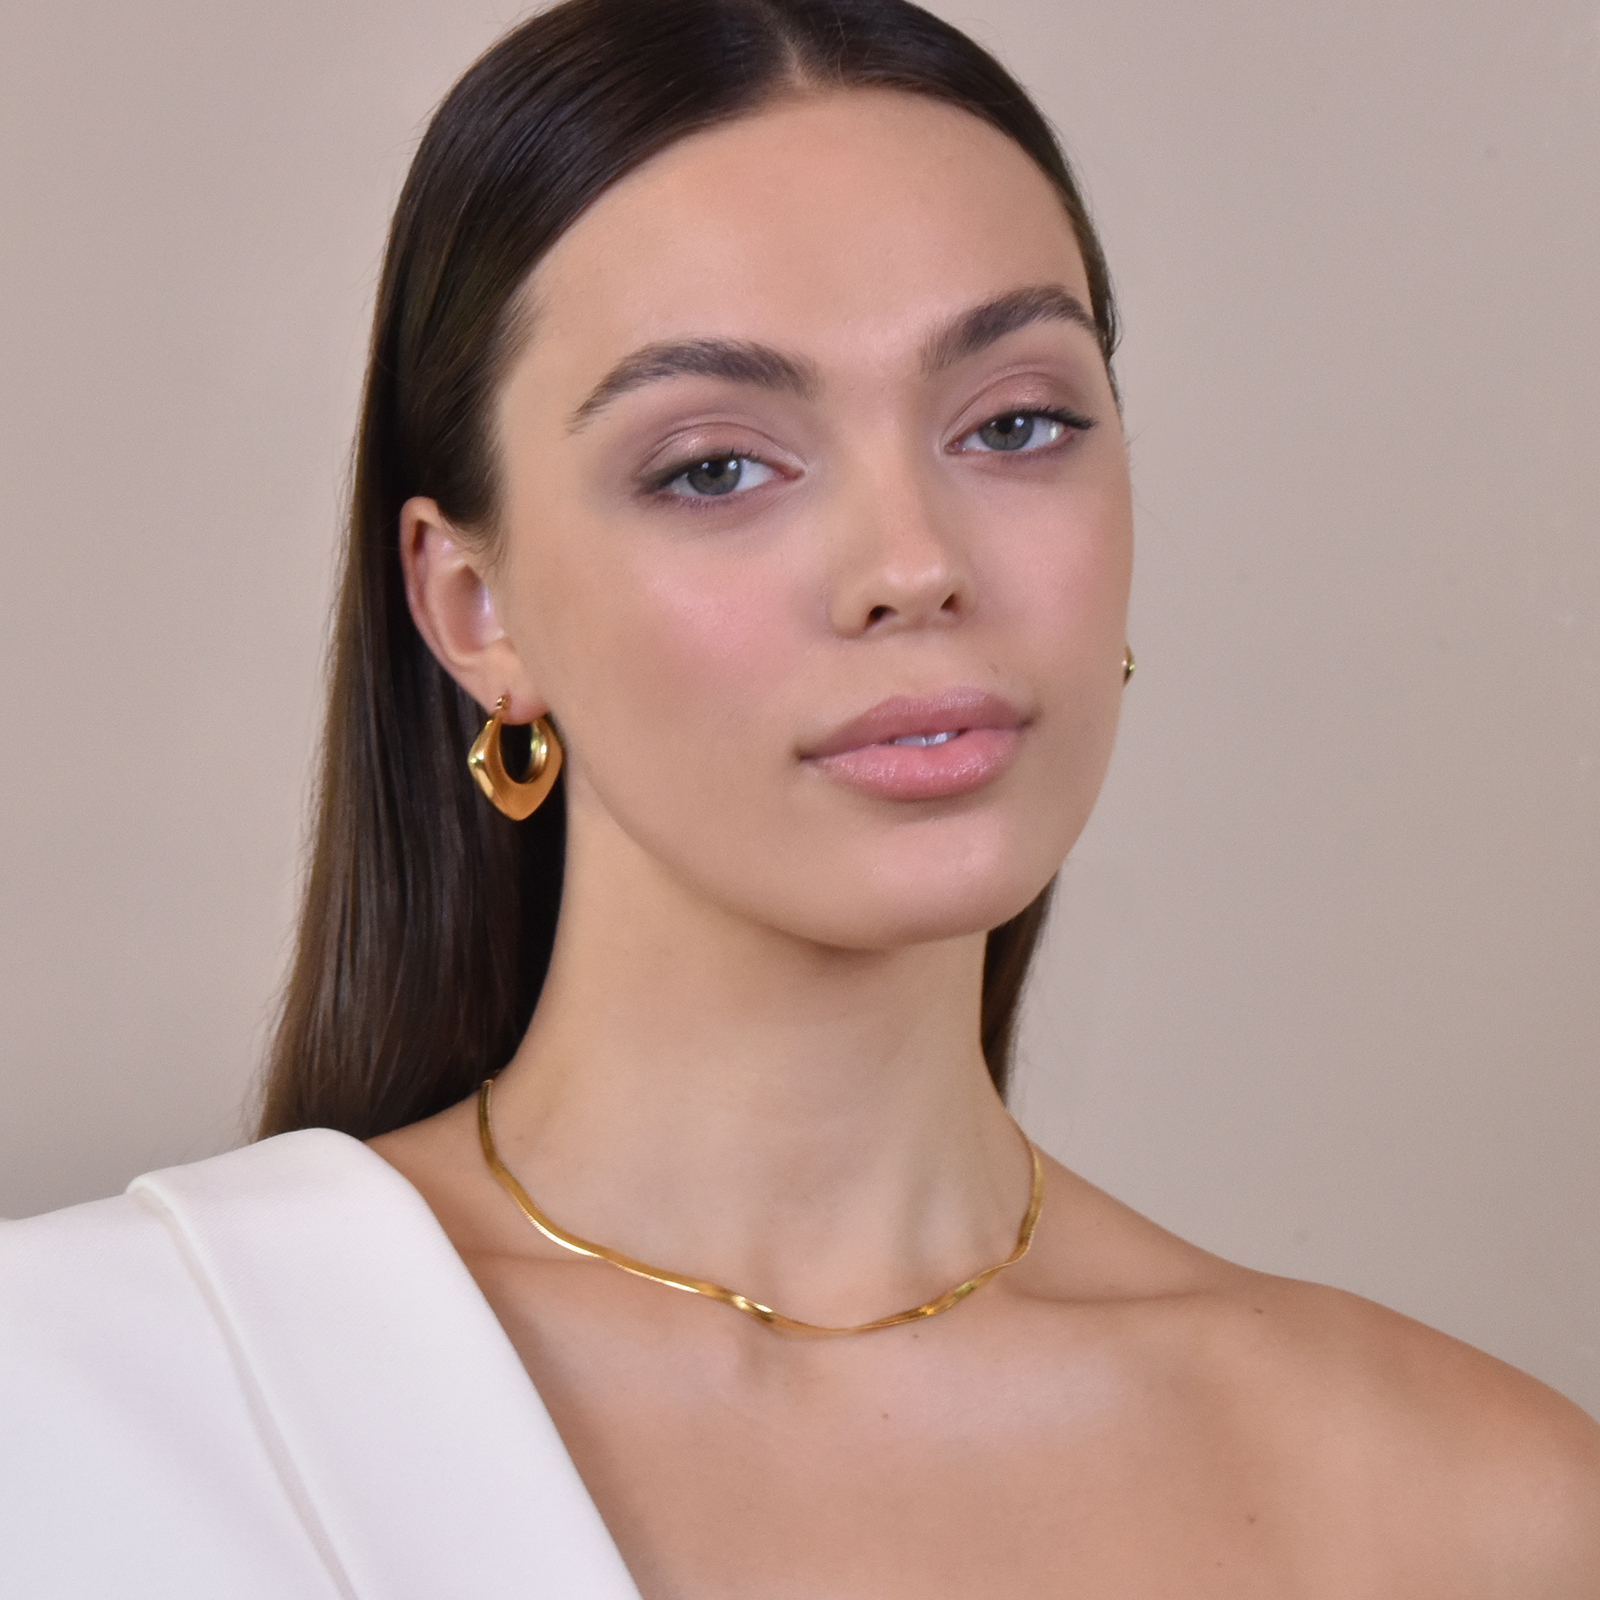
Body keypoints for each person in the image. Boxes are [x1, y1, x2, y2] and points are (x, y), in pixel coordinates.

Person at [2, 0, 1596, 1594]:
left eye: (1016, 424)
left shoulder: (1479, 1512)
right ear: (474, 610)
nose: (915, 564)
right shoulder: (75, 1398)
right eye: (714, 466)